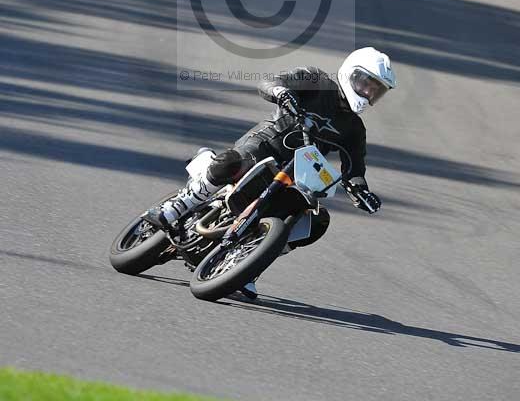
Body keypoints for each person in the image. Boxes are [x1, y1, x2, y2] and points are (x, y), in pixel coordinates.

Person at [143, 47, 397, 298]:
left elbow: (354, 168)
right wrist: (282, 92)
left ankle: (249, 265)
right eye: (367, 83)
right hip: (264, 146)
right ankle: (177, 207)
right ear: (350, 73)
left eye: (377, 90)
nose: (369, 92)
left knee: (316, 221)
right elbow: (270, 82)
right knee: (232, 161)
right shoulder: (316, 80)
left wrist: (361, 190)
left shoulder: (354, 129)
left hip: (295, 174)